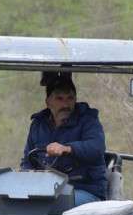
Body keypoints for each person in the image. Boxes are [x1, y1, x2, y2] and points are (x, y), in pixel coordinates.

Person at [21, 72, 107, 205]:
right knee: (16, 201)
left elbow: (96, 148)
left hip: (84, 189)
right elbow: (27, 160)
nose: (65, 104)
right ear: (48, 102)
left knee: (52, 204)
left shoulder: (88, 120)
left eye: (70, 98)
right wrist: (26, 178)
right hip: (47, 190)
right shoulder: (38, 125)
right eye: (59, 99)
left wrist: (67, 148)